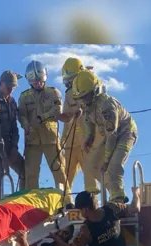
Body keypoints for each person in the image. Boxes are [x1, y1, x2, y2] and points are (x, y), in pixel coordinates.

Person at [71, 69, 138, 202]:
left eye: (86, 96)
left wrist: (106, 160)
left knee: (113, 166)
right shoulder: (87, 105)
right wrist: (88, 137)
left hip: (125, 133)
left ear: (95, 91)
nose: (83, 100)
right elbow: (89, 121)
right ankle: (113, 192)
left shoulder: (107, 105)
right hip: (108, 135)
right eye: (80, 98)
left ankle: (118, 200)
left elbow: (112, 136)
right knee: (92, 165)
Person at [18, 60, 67, 194]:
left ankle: (66, 200)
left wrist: (42, 117)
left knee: (58, 169)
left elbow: (57, 110)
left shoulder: (53, 92)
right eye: (34, 81)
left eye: (39, 80)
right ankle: (32, 203)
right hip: (32, 140)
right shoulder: (24, 97)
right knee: (31, 173)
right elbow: (21, 115)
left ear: (44, 77)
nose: (37, 83)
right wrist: (25, 124)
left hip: (50, 138)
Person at [58, 57, 99, 205]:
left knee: (89, 173)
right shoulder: (69, 94)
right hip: (70, 143)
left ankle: (92, 202)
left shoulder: (92, 87)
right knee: (65, 176)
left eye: (71, 78)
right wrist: (62, 140)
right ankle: (64, 203)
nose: (69, 82)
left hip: (86, 140)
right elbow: (67, 120)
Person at [0, 70, 26, 203]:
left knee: (25, 171)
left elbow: (14, 127)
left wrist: (14, 147)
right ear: (0, 84)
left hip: (8, 142)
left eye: (13, 87)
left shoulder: (12, 102)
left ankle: (21, 202)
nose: (11, 89)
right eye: (8, 86)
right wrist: (3, 156)